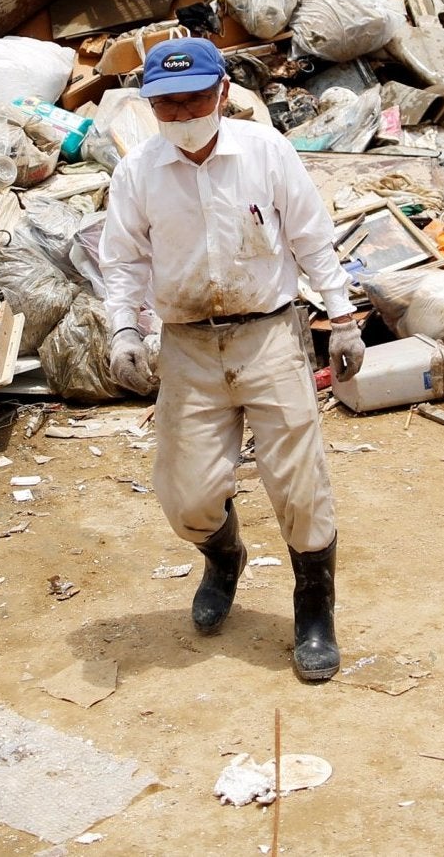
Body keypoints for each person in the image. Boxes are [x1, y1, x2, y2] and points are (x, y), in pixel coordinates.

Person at [100, 37, 364, 682]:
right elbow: (123, 261)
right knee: (187, 499)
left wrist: (345, 317)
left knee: (299, 485)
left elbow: (311, 237)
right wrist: (123, 332)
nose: (182, 116)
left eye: (194, 100)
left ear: (223, 93)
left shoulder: (267, 154)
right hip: (188, 346)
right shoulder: (138, 172)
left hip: (269, 336)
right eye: (167, 107)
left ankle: (313, 609)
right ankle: (224, 559)